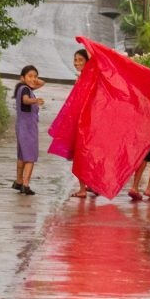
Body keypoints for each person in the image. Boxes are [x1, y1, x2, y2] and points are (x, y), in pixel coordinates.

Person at [69, 48, 99, 199]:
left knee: (84, 154)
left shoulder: (91, 77)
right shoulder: (81, 78)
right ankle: (87, 186)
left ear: (87, 62)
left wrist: (87, 44)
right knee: (83, 154)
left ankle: (85, 188)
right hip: (81, 122)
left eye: (80, 60)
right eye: (75, 60)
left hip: (88, 123)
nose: (76, 63)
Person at [13, 65, 45, 195]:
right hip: (28, 128)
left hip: (20, 126)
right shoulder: (25, 90)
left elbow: (43, 83)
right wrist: (35, 100)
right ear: (22, 78)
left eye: (35, 76)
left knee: (21, 156)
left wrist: (33, 80)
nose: (34, 79)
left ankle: (19, 181)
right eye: (30, 76)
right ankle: (25, 184)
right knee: (30, 157)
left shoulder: (22, 88)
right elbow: (25, 100)